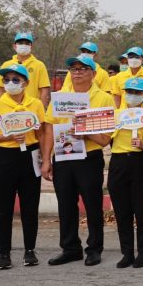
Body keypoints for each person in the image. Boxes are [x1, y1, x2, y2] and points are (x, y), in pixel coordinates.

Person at [43, 54, 115, 267]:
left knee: (92, 204)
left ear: (93, 74)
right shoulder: (60, 97)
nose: (78, 72)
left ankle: (94, 248)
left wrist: (86, 132)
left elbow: (105, 140)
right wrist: (46, 160)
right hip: (63, 157)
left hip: (89, 158)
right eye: (74, 69)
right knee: (65, 205)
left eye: (83, 68)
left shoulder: (104, 98)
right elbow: (49, 128)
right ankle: (70, 248)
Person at [0, 64, 49, 269]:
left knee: (30, 206)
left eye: (15, 80)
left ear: (26, 83)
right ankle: (4, 253)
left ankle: (30, 250)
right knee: (3, 208)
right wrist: (7, 136)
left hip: (29, 156)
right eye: (6, 80)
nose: (10, 84)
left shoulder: (36, 104)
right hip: (4, 157)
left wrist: (45, 158)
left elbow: (42, 133)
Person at [108, 77, 143, 268]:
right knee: (122, 211)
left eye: (137, 92)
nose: (132, 95)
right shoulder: (115, 115)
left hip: (141, 162)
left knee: (141, 209)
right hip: (118, 162)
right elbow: (104, 138)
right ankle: (127, 252)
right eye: (129, 91)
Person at [0, 32, 51, 106]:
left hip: (31, 108)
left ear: (31, 46)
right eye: (20, 43)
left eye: (27, 43)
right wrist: (0, 107)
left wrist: (41, 109)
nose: (23, 45)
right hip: (8, 107)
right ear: (14, 46)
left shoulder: (39, 65)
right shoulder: (6, 65)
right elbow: (1, 89)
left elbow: (44, 90)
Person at [111, 47, 143, 116]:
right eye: (131, 57)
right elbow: (116, 99)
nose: (133, 59)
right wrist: (117, 115)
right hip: (125, 117)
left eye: (136, 57)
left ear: (142, 59)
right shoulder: (119, 76)